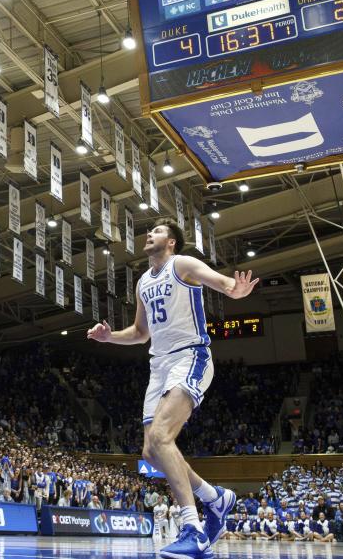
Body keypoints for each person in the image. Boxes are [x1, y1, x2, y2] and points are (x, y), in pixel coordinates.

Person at [87, 219, 258, 559]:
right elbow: (139, 333)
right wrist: (110, 337)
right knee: (151, 451)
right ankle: (214, 497)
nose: (149, 233)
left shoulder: (182, 264)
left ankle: (192, 527)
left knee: (163, 436)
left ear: (171, 243)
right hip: (158, 365)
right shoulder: (142, 282)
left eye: (158, 231)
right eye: (149, 231)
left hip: (189, 355)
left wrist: (233, 289)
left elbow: (222, 283)